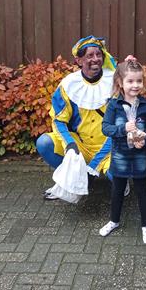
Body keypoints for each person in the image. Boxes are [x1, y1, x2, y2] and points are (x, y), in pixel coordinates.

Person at [36, 36, 117, 193]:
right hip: (82, 145)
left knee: (118, 173)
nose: (96, 59)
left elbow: (122, 124)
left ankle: (119, 182)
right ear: (79, 60)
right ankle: (80, 179)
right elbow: (59, 121)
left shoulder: (116, 82)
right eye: (90, 55)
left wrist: (95, 163)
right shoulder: (68, 85)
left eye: (98, 54)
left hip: (111, 146)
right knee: (44, 143)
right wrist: (69, 144)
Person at [99, 56, 146, 243]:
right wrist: (123, 129)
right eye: (130, 81)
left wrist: (145, 138)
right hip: (120, 156)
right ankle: (114, 221)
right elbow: (105, 128)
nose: (135, 85)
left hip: (140, 156)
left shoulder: (145, 106)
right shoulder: (113, 105)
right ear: (120, 82)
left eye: (139, 81)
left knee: (142, 190)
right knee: (117, 190)